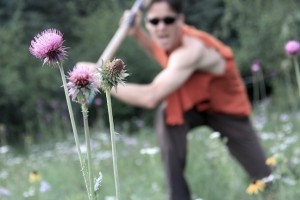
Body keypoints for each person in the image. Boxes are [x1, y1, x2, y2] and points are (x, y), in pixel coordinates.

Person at [78, 0, 271, 199]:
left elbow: (151, 97)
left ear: (180, 20)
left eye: (168, 20)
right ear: (147, 24)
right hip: (190, 107)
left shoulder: (192, 49)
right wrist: (136, 33)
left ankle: (273, 190)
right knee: (166, 115)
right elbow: (160, 52)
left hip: (227, 110)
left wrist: (100, 79)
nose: (161, 27)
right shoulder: (168, 42)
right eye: (154, 21)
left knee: (265, 177)